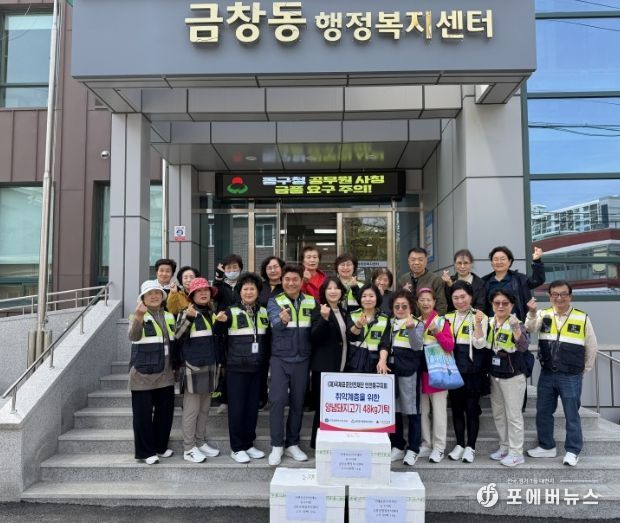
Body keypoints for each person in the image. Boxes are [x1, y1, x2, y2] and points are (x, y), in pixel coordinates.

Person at [525, 280, 598, 467]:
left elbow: (592, 346)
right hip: (547, 373)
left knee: (571, 413)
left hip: (571, 375)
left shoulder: (582, 317)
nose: (559, 298)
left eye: (564, 294)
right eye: (555, 294)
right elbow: (530, 327)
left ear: (570, 296)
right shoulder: (543, 314)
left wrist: (584, 369)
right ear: (549, 296)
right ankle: (546, 446)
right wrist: (532, 313)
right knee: (543, 411)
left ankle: (573, 451)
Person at [215, 272, 269, 463]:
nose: (249, 292)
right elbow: (218, 335)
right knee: (237, 409)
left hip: (257, 368)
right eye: (245, 288)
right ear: (240, 292)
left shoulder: (264, 312)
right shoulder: (230, 312)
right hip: (236, 368)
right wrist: (219, 323)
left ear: (258, 291)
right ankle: (237, 448)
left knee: (252, 409)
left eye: (252, 288)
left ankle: (248, 444)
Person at [267, 264, 317, 466]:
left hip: (303, 359)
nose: (291, 283)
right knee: (277, 401)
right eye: (287, 279)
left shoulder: (311, 301)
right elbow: (274, 323)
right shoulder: (275, 301)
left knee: (298, 402)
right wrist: (282, 320)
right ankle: (277, 445)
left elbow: (317, 328)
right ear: (282, 281)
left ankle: (292, 443)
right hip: (280, 358)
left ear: (301, 281)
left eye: (295, 279)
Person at [127, 280, 177, 465]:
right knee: (143, 416)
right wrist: (139, 317)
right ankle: (145, 452)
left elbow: (175, 340)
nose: (154, 296)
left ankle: (160, 447)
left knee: (165, 413)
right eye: (150, 294)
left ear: (162, 297)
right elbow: (133, 336)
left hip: (165, 373)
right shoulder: (137, 315)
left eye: (157, 293)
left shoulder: (169, 316)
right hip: (143, 374)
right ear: (143, 298)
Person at [175, 277, 221, 463]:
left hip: (210, 366)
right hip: (193, 367)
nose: (203, 293)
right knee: (191, 411)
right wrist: (189, 318)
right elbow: (178, 336)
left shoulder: (212, 312)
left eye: (206, 290)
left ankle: (200, 442)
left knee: (204, 409)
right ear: (192, 295)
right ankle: (189, 448)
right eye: (198, 291)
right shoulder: (186, 312)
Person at [378, 290, 425, 466]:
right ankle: (397, 445)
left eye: (404, 306)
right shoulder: (390, 323)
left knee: (412, 411)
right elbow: (384, 343)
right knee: (395, 410)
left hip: (409, 371)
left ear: (411, 307)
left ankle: (413, 448)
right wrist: (382, 360)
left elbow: (417, 346)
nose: (400, 309)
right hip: (392, 372)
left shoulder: (417, 323)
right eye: (396, 306)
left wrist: (411, 329)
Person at [445, 281, 489, 464]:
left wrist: (478, 324)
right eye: (455, 297)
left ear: (471, 296)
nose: (460, 301)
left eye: (463, 297)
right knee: (456, 409)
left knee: (471, 410)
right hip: (453, 370)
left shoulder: (480, 316)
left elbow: (480, 344)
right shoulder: (447, 317)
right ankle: (460, 444)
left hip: (472, 370)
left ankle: (471, 446)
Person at [487, 289, 530, 467]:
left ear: (511, 305)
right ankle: (504, 447)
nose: (501, 306)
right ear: (492, 305)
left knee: (513, 416)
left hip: (513, 376)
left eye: (505, 303)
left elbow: (523, 347)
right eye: (497, 303)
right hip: (495, 374)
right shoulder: (490, 322)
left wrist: (516, 330)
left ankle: (516, 453)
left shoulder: (517, 323)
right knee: (498, 414)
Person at [416, 287, 455, 463]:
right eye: (422, 300)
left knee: (439, 412)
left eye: (428, 300)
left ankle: (439, 447)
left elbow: (449, 346)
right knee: (423, 411)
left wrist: (436, 332)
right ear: (417, 302)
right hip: (420, 373)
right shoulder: (414, 321)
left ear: (434, 302)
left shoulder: (441, 321)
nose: (425, 303)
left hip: (438, 373)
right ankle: (426, 443)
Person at [309, 277, 348, 448]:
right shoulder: (319, 310)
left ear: (341, 291)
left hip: (341, 364)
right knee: (323, 407)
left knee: (335, 407)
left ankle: (333, 442)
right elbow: (313, 337)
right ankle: (317, 444)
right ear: (323, 292)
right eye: (329, 288)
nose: (333, 291)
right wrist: (324, 319)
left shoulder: (343, 311)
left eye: (336, 288)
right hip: (324, 367)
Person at [482, 246, 545, 321]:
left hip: (516, 324)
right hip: (492, 325)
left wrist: (537, 261)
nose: (499, 262)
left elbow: (537, 280)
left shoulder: (520, 279)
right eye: (495, 259)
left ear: (509, 262)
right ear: (492, 263)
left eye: (502, 259)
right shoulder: (484, 282)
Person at [258, 256, 285, 408]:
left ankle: (278, 398)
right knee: (261, 366)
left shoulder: (287, 286)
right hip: (261, 333)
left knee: (278, 368)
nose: (273, 270)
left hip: (281, 334)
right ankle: (261, 397)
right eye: (269, 268)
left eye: (276, 267)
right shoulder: (260, 287)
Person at [346, 283, 391, 374]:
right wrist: (358, 325)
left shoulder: (385, 319)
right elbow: (350, 337)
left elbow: (385, 344)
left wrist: (382, 360)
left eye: (371, 296)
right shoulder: (353, 315)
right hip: (354, 362)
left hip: (375, 363)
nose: (367, 299)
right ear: (360, 298)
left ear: (377, 298)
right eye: (364, 296)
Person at [398, 247, 447, 314]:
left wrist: (433, 320)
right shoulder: (403, 279)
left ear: (426, 261)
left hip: (429, 319)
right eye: (413, 260)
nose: (416, 263)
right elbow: (397, 303)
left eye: (420, 260)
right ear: (408, 261)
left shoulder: (435, 280)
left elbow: (441, 306)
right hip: (407, 319)